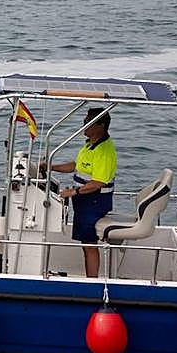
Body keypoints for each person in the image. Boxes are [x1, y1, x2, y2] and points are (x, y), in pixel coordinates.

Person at [41, 108, 116, 277]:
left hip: (94, 202)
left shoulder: (104, 152)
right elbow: (76, 166)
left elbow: (98, 183)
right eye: (84, 121)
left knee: (89, 244)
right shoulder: (90, 145)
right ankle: (90, 279)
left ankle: (92, 283)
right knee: (85, 243)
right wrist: (51, 167)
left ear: (100, 126)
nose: (84, 125)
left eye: (88, 122)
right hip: (85, 202)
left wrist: (74, 192)